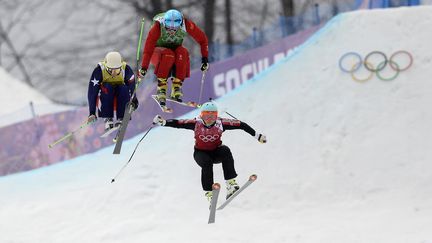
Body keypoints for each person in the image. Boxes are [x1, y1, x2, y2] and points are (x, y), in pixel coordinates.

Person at [152, 102, 267, 203]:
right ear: (201, 115)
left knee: (225, 150)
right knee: (207, 163)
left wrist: (257, 136)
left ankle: (231, 184)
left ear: (217, 116)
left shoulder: (221, 123)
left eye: (212, 116)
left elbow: (242, 125)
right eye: (206, 115)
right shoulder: (196, 123)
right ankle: (209, 194)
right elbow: (178, 123)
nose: (209, 119)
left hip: (216, 152)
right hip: (200, 153)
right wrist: (163, 122)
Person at [138, 9, 209, 106]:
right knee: (168, 54)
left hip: (174, 52)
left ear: (180, 25)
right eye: (168, 29)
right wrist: (144, 67)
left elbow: (203, 39)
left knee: (183, 52)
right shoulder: (158, 26)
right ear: (164, 24)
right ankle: (161, 87)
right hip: (157, 53)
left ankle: (177, 86)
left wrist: (205, 59)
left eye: (174, 29)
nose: (171, 32)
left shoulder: (186, 24)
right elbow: (148, 49)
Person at [87, 51, 138, 131]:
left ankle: (122, 117)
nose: (113, 73)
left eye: (117, 70)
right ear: (106, 66)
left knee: (123, 87)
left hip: (120, 100)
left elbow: (132, 87)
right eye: (110, 70)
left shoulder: (126, 69)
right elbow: (92, 92)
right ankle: (108, 118)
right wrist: (92, 112)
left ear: (121, 66)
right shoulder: (99, 70)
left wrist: (134, 100)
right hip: (105, 99)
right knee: (107, 86)